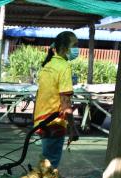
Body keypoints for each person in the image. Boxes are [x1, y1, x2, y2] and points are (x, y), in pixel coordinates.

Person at [33, 31, 80, 168]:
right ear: (65, 48)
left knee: (46, 162)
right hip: (54, 123)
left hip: (42, 121)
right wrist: (73, 128)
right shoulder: (64, 67)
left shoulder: (47, 65)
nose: (77, 48)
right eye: (75, 45)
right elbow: (65, 103)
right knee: (50, 167)